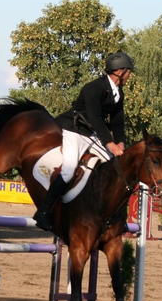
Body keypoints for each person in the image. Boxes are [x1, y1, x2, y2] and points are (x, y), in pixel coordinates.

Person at [32, 51, 134, 231]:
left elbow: (118, 121)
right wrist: (110, 143)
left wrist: (120, 143)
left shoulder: (118, 93)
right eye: (129, 72)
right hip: (74, 130)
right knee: (69, 170)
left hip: (92, 134)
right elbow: (96, 118)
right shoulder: (93, 88)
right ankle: (43, 211)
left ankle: (114, 217)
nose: (130, 75)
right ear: (119, 71)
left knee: (116, 169)